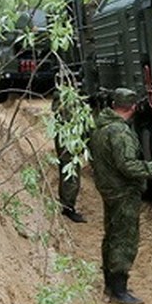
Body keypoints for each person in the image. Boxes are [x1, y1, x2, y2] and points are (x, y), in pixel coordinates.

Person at [88, 88, 152, 304]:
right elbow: (128, 166)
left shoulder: (101, 126)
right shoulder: (119, 132)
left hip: (110, 188)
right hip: (123, 191)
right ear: (132, 107)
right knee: (124, 239)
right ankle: (118, 291)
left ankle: (111, 285)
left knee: (111, 235)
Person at [51, 85, 87, 223]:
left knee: (67, 171)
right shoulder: (66, 105)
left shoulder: (59, 103)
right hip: (69, 140)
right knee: (71, 173)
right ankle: (68, 207)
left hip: (65, 139)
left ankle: (66, 204)